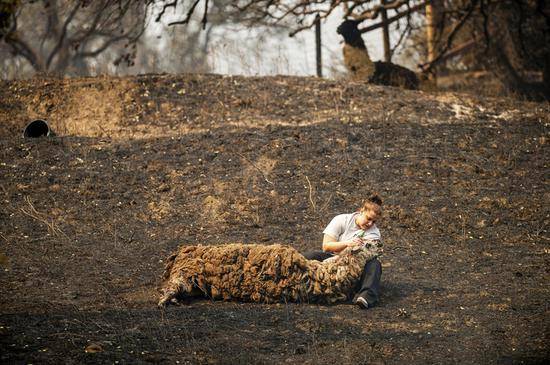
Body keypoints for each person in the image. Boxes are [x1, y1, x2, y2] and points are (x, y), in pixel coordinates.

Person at [303, 196, 383, 309]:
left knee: (375, 264)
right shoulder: (342, 220)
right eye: (368, 218)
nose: (370, 224)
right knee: (310, 256)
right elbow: (326, 246)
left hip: (353, 265)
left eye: (374, 221)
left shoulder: (374, 233)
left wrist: (349, 252)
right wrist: (347, 244)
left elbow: (363, 255)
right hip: (334, 255)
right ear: (361, 211)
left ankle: (366, 296)